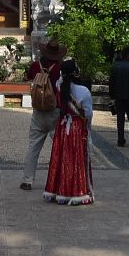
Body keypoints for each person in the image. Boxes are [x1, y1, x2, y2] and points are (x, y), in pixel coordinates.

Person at [44, 57, 93, 205]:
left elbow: (60, 80)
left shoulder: (59, 87)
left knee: (61, 158)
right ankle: (76, 191)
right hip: (77, 127)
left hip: (62, 125)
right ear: (76, 73)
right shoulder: (83, 91)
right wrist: (88, 128)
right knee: (76, 159)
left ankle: (57, 190)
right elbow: (88, 114)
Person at [20, 38, 64, 191]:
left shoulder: (35, 66)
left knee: (33, 146)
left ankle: (27, 180)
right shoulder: (60, 68)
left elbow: (29, 77)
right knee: (58, 147)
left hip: (38, 110)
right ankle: (59, 180)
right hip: (55, 110)